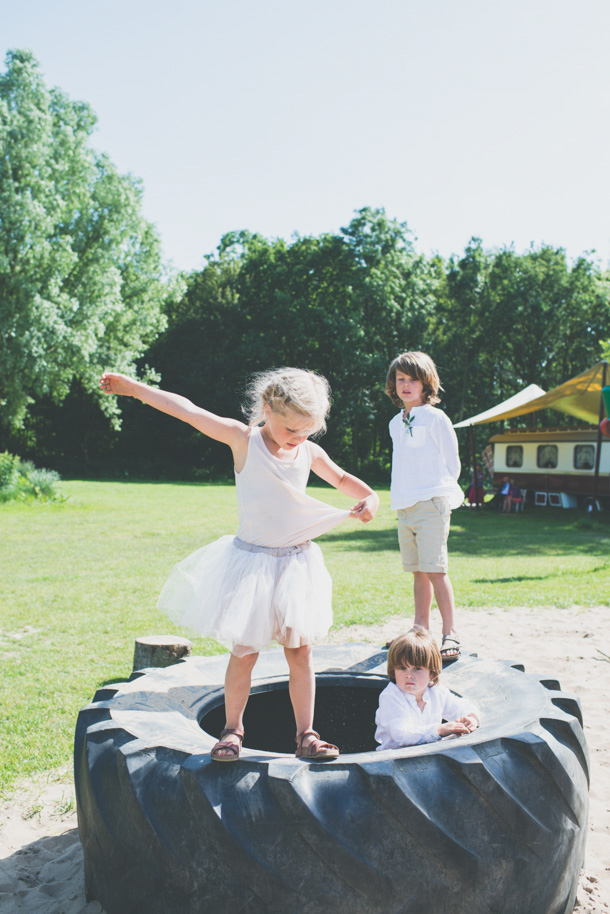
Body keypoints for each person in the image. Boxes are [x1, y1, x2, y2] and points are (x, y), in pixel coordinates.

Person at [99, 367, 379, 763]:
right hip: (253, 567)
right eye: (291, 430)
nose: (297, 439)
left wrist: (371, 499)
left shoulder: (308, 451)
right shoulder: (243, 439)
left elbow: (345, 479)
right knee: (245, 652)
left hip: (296, 566)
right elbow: (188, 411)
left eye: (305, 432)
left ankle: (307, 735)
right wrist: (134, 389)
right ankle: (232, 730)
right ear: (267, 409)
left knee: (300, 653)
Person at [385, 351, 464, 661]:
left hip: (431, 503)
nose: (406, 385)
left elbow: (452, 462)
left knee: (436, 570)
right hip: (404, 506)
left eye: (412, 380)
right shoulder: (395, 422)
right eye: (400, 379)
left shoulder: (435, 417)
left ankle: (450, 633)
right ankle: (420, 631)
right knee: (418, 571)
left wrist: (438, 495)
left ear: (426, 383)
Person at [375, 627, 479, 750]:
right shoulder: (391, 697)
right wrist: (439, 730)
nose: (409, 674)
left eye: (417, 668)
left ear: (432, 672)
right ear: (393, 670)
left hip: (428, 757)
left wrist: (471, 718)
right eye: (402, 668)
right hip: (393, 762)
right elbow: (402, 734)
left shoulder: (436, 692)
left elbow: (462, 707)